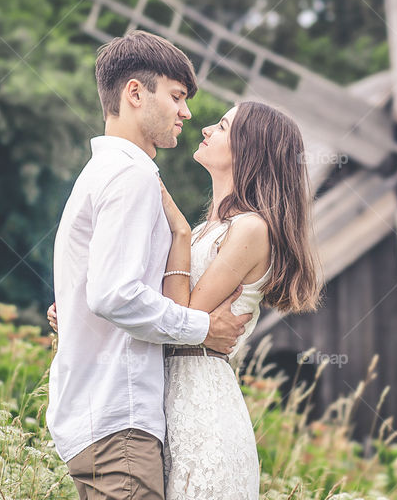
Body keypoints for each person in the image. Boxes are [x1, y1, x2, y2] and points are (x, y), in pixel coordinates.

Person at [49, 100, 323, 499]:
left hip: (202, 411)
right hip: (164, 403)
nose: (206, 128)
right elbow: (143, 305)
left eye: (224, 126)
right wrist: (79, 313)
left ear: (250, 149)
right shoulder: (205, 231)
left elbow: (181, 318)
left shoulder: (250, 229)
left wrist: (177, 231)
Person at [45, 30, 252, 500]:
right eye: (177, 96)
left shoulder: (103, 172)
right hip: (119, 420)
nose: (187, 112)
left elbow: (95, 290)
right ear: (135, 93)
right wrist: (202, 328)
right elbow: (112, 295)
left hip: (100, 417)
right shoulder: (130, 174)